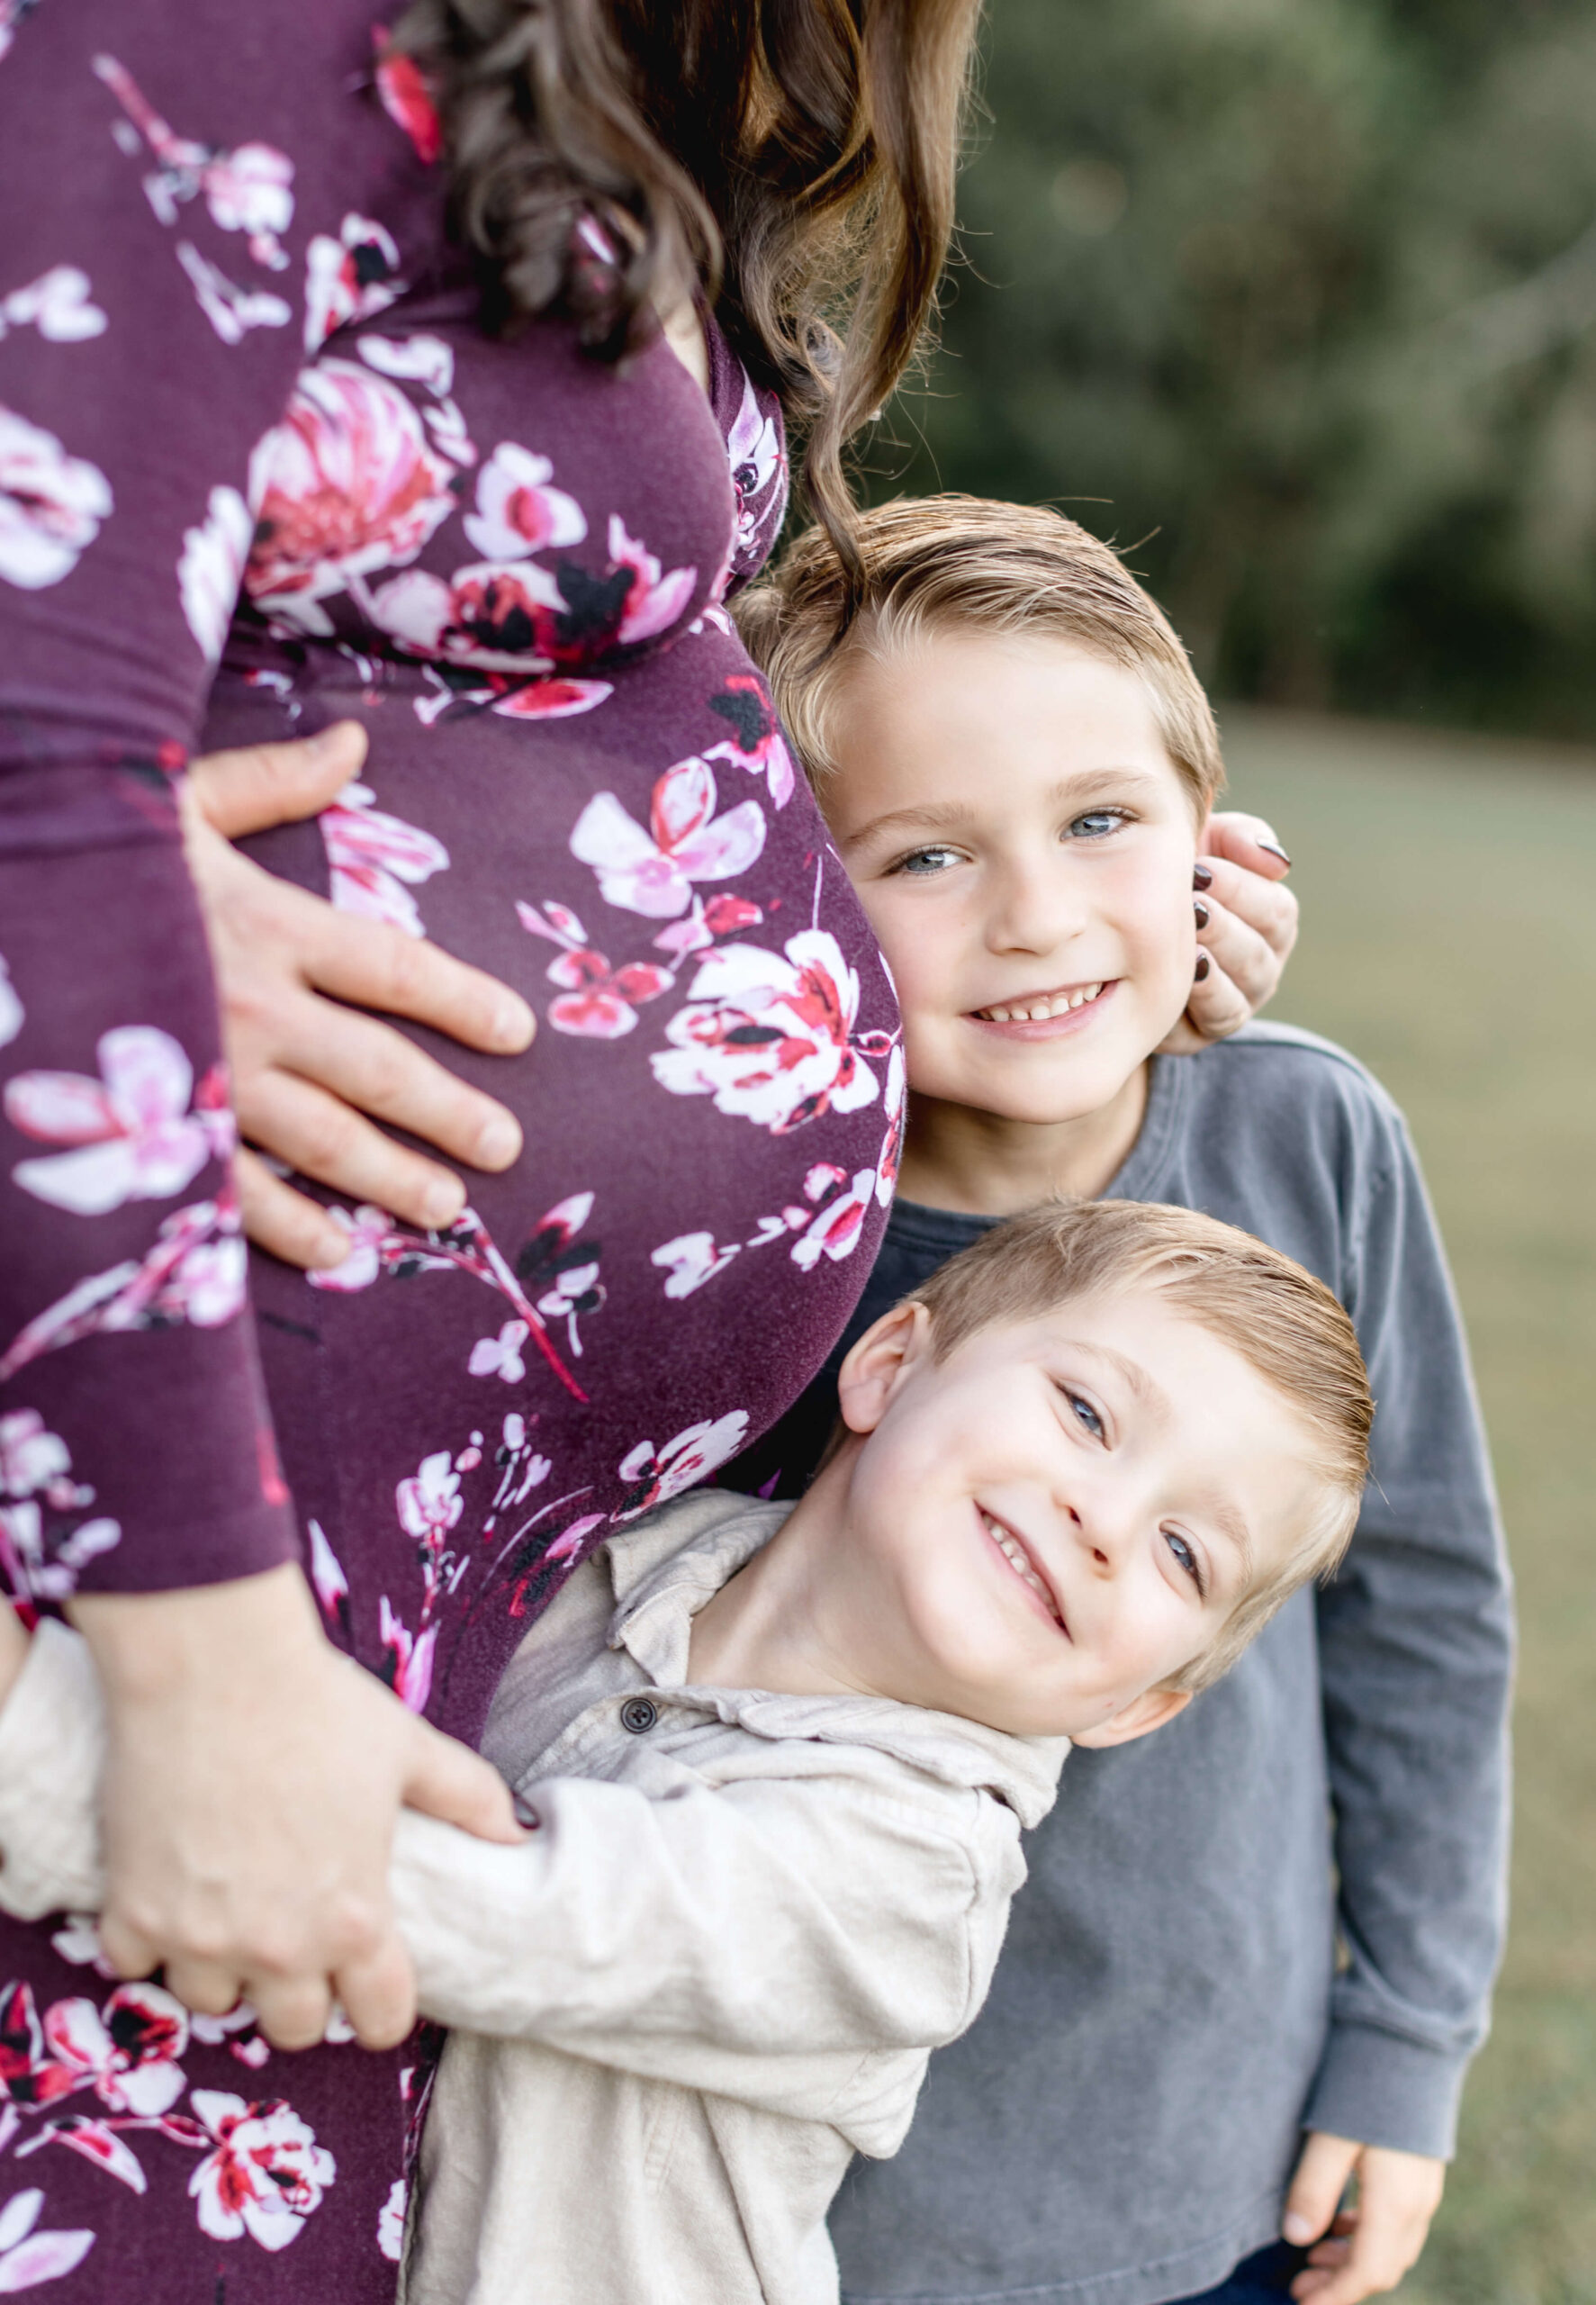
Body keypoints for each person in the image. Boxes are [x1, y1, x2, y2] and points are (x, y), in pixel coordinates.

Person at [0, 2, 994, 2291]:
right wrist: (200, 1656)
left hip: (383, 1593)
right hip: (161, 1545)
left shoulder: (618, 65)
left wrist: (1048, 887)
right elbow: (50, 724)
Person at [0, 1196, 1375, 2305]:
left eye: (1184, 1553)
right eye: (1086, 1413)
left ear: (1137, 1703)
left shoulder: (901, 1875)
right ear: (888, 1366)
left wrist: (30, 1715)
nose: (1103, 1517)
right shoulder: (599, 1554)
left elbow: (451, 1902)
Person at [724, 497, 1514, 2305]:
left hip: (1197, 2161)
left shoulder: (1303, 1133)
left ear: (1208, 847)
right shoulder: (757, 1219)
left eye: (1098, 823)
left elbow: (1427, 1611)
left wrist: (1402, 2041)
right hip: (802, 2190)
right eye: (923, 857)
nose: (1035, 916)